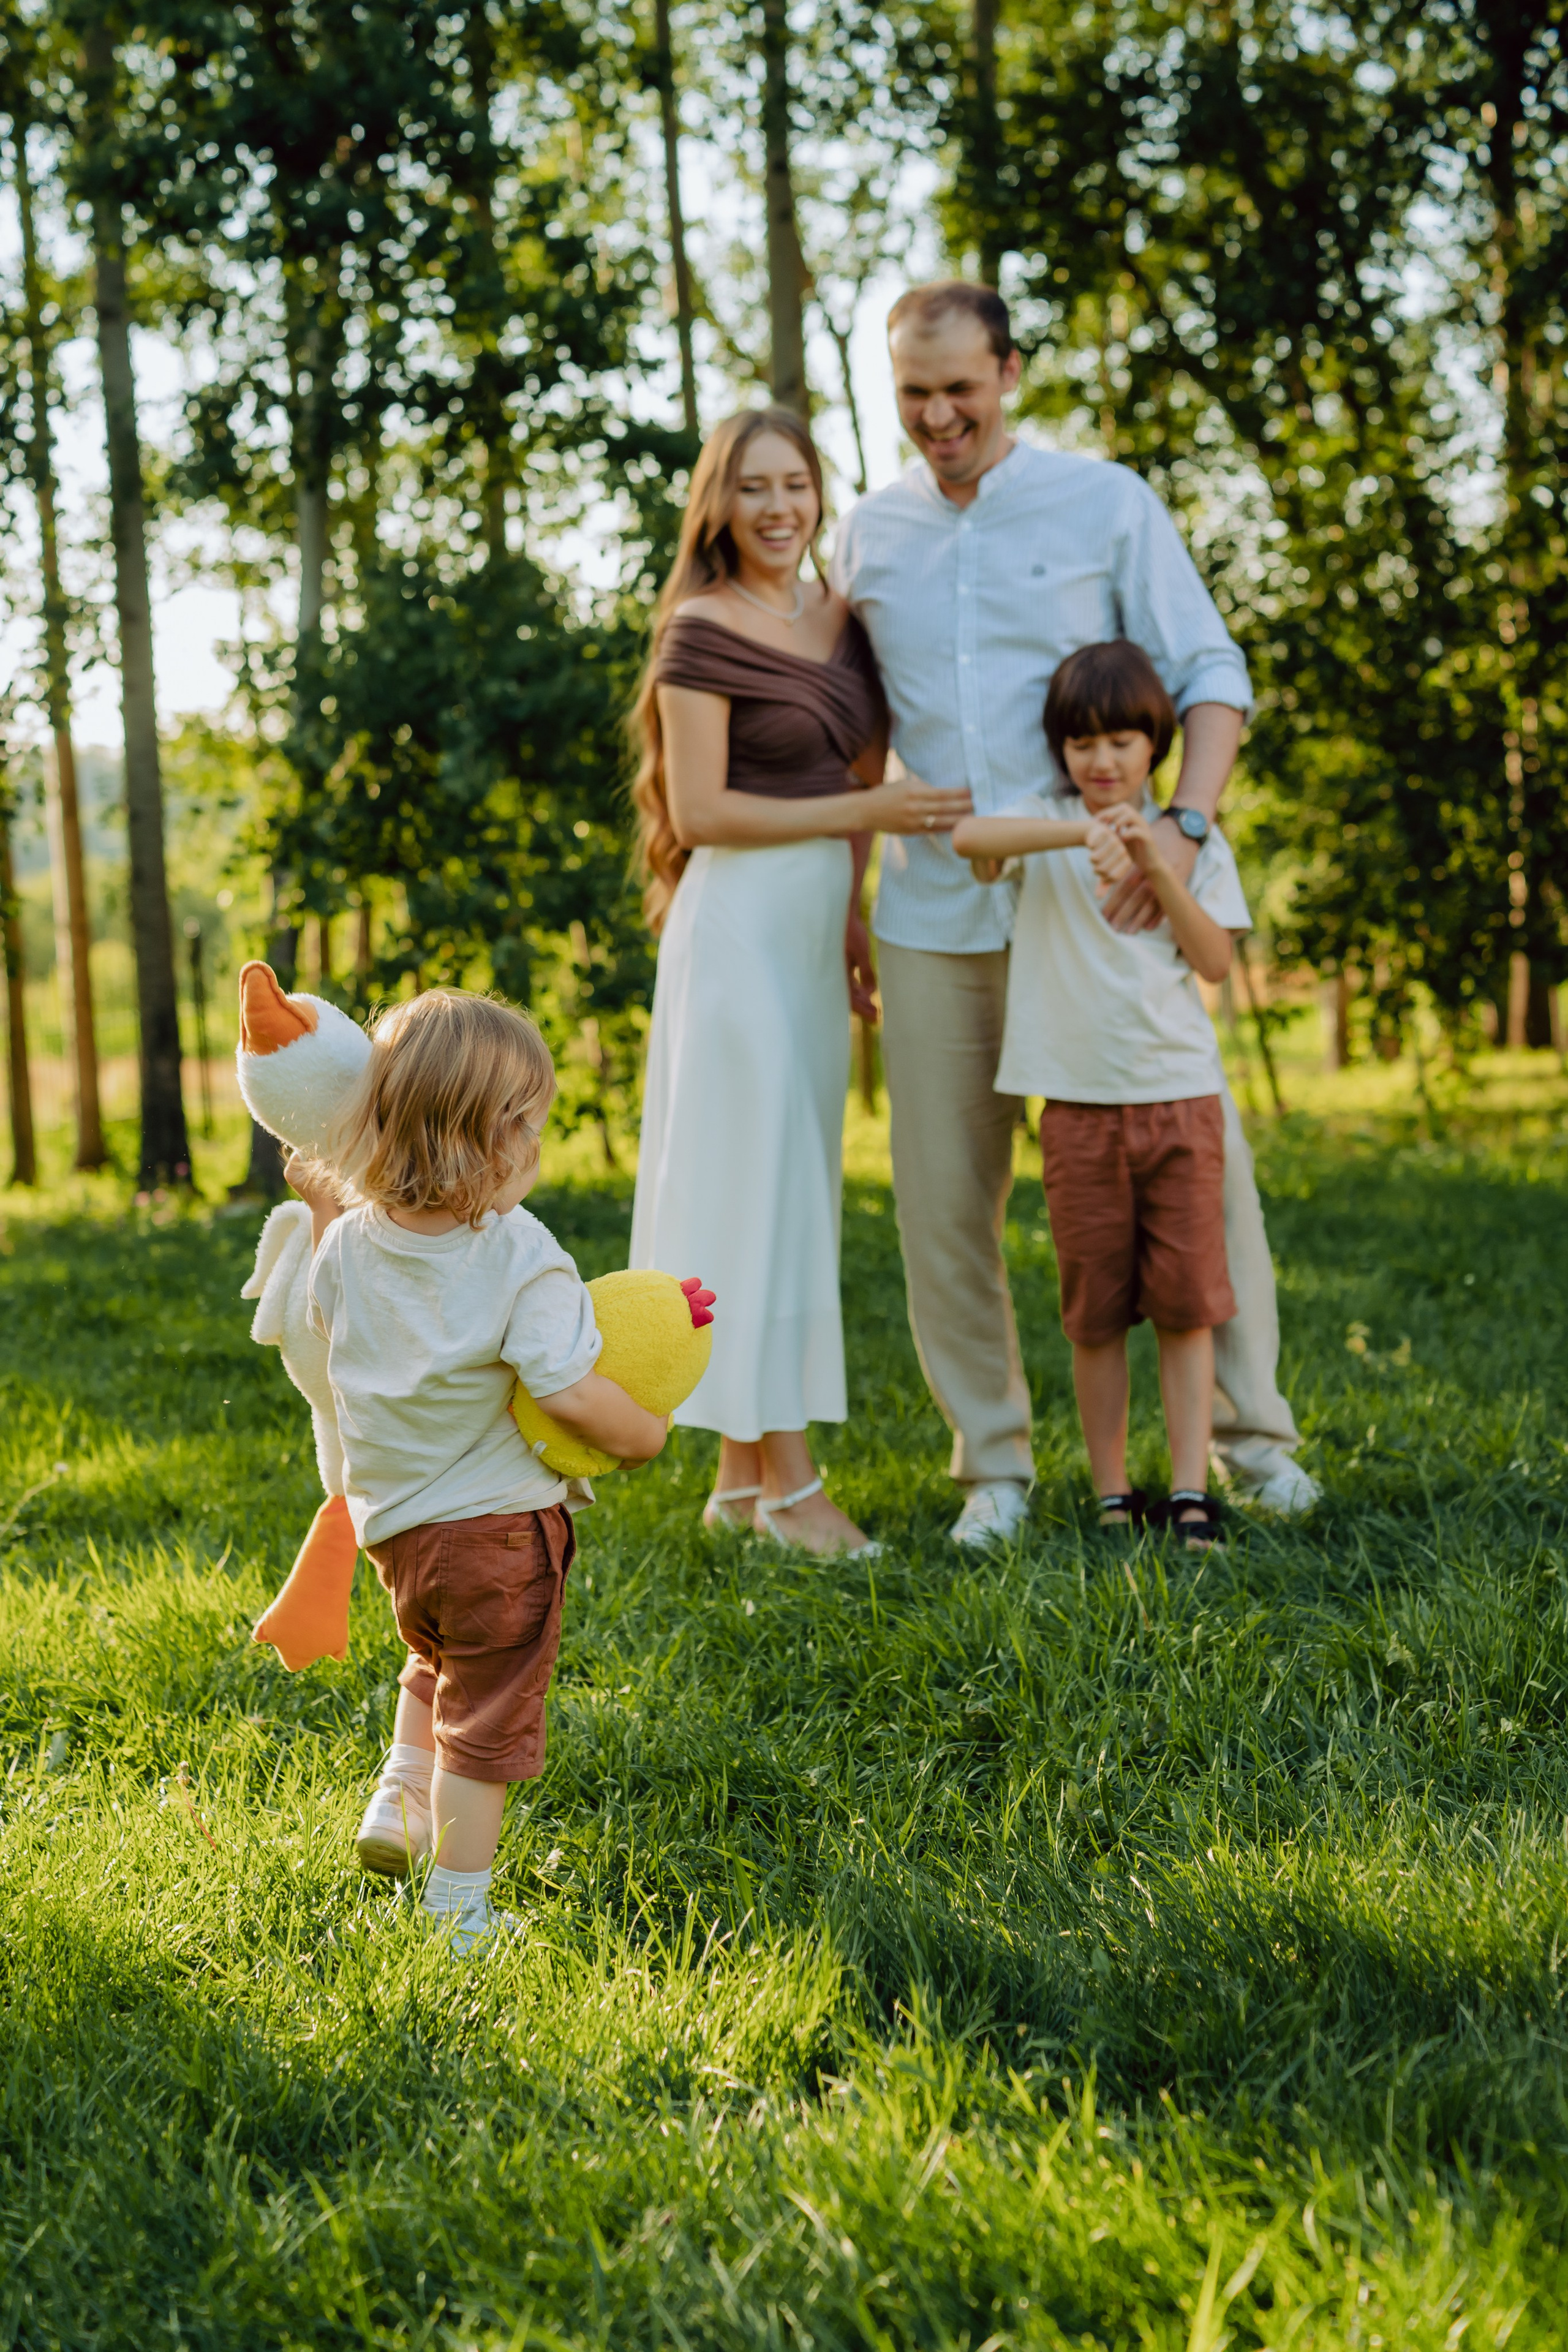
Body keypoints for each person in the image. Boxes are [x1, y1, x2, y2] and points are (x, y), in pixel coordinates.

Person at [832, 278, 1316, 1547]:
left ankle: (1253, 1442)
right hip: (937, 906)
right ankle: (992, 1468)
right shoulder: (867, 532)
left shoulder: (1103, 502)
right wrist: (844, 897)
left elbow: (1210, 671)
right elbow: (854, 734)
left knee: (1201, 1179)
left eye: (958, 388)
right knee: (945, 1202)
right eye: (913, 394)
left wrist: (1183, 829)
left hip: (1102, 912)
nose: (938, 416)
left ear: (1007, 374)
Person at [628, 406, 971, 1556]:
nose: (779, 509)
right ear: (716, 505)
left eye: (797, 486)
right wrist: (867, 814)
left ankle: (734, 1482)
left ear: (820, 495)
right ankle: (791, 1487)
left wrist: (857, 909)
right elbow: (702, 811)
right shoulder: (699, 627)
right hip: (732, 933)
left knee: (785, 1192)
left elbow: (855, 771)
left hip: (814, 928)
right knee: (753, 1193)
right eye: (752, 488)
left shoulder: (841, 618)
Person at [288, 989, 668, 1954]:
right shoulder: (519, 1256)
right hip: (500, 1532)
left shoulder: (345, 1250)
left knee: (436, 1659)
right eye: (532, 1127)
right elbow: (571, 1389)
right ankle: (460, 1913)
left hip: (398, 1534)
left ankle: (398, 1795)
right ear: (496, 1141)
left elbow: (332, 1332)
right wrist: (643, 1432)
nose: (537, 1149)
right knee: (487, 1724)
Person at [953, 641, 1250, 1547]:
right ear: (1062, 751)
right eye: (1083, 744)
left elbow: (1215, 960)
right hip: (1075, 1110)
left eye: (1122, 741)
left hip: (1178, 1101)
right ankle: (1113, 1493)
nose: (1103, 761)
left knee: (1187, 1307)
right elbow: (972, 841)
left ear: (1156, 744)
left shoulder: (1191, 842)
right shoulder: (1045, 827)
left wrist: (1158, 861)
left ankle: (1192, 1490)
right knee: (1095, 1314)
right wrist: (1076, 832)